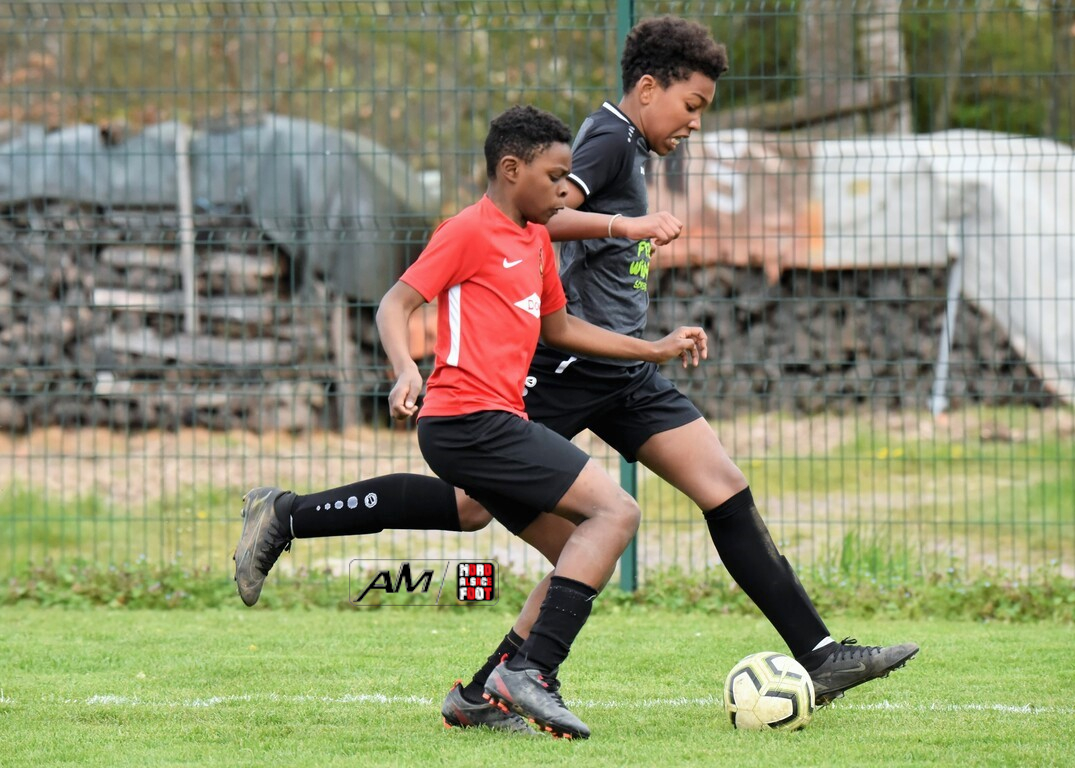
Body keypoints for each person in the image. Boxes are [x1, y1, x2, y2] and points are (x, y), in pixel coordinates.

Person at [234, 15, 917, 732]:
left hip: (618, 367)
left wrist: (650, 347)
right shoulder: (606, 140)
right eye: (690, 105)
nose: (694, 123)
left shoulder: (632, 147)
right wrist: (628, 227)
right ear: (648, 89)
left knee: (721, 486)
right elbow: (544, 220)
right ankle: (294, 519)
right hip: (563, 370)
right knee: (481, 507)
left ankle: (817, 654)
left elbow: (544, 236)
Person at [239, 103, 708, 739]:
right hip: (467, 419)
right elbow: (394, 303)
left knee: (564, 547)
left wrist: (651, 350)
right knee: (616, 512)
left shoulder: (535, 240)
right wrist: (405, 370)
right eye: (554, 177)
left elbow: (561, 329)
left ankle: (480, 692)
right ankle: (533, 672)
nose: (564, 191)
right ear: (511, 170)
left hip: (493, 421)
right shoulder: (466, 231)